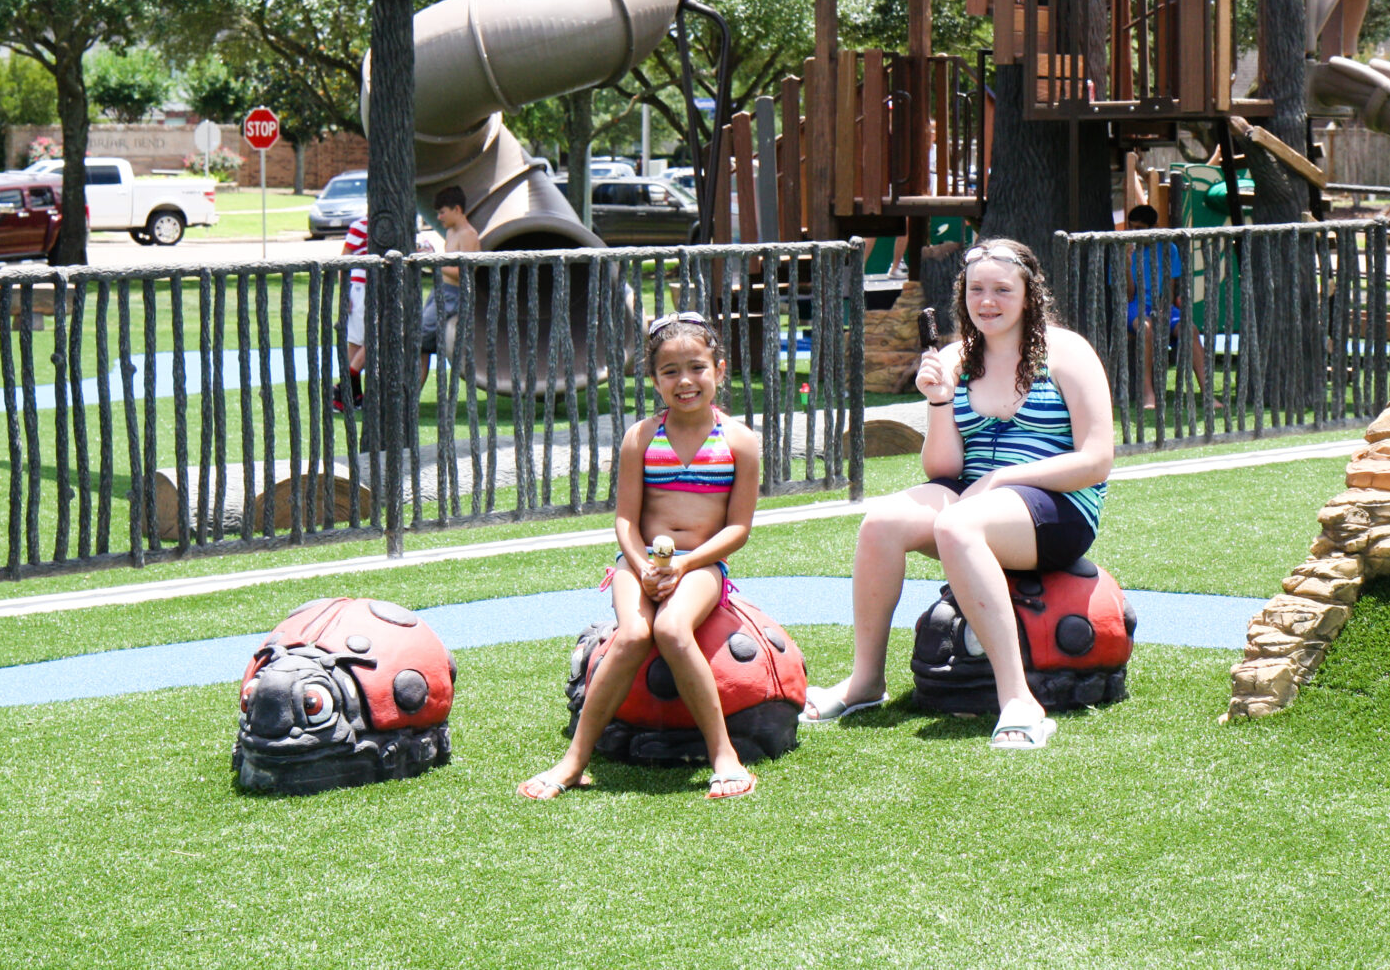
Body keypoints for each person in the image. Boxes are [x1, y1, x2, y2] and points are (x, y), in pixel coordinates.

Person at [800, 238, 1114, 750]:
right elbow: (943, 467)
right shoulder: (953, 357)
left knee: (957, 524)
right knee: (881, 521)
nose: (987, 301)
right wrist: (941, 400)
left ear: (1029, 294)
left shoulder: (1067, 353)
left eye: (1002, 290)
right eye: (976, 290)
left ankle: (1020, 700)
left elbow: (1097, 460)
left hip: (1056, 506)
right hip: (971, 494)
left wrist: (1007, 478)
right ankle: (865, 681)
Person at [519, 313, 762, 799]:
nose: (685, 381)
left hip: (702, 564)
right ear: (653, 380)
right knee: (633, 634)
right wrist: (642, 563)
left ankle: (723, 754)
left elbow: (738, 528)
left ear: (719, 368)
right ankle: (574, 761)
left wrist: (686, 564)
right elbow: (625, 520)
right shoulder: (641, 438)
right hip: (639, 560)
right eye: (669, 371)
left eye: (696, 367)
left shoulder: (739, 441)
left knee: (672, 629)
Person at [1123, 203, 1212, 410]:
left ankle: (1208, 393)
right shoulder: (1122, 249)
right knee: (1146, 329)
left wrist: (1164, 309)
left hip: (1162, 306)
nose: (1134, 233)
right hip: (1135, 306)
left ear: (1154, 227)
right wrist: (1126, 265)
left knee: (1190, 330)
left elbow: (1170, 288)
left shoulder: (1168, 249)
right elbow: (1127, 296)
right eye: (1131, 227)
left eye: (1140, 228)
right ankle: (1148, 393)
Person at [417, 186, 479, 384]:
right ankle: (409, 398)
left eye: (442, 212)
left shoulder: (468, 235)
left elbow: (465, 274)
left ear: (457, 210)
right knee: (420, 344)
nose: (440, 217)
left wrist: (433, 262)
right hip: (440, 293)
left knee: (417, 339)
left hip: (453, 296)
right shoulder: (451, 232)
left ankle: (408, 398)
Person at [333, 213, 368, 414]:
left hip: (360, 287)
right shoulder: (362, 225)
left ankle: (353, 394)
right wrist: (344, 292)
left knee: (356, 343)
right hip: (362, 286)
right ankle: (345, 387)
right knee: (373, 338)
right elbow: (345, 259)